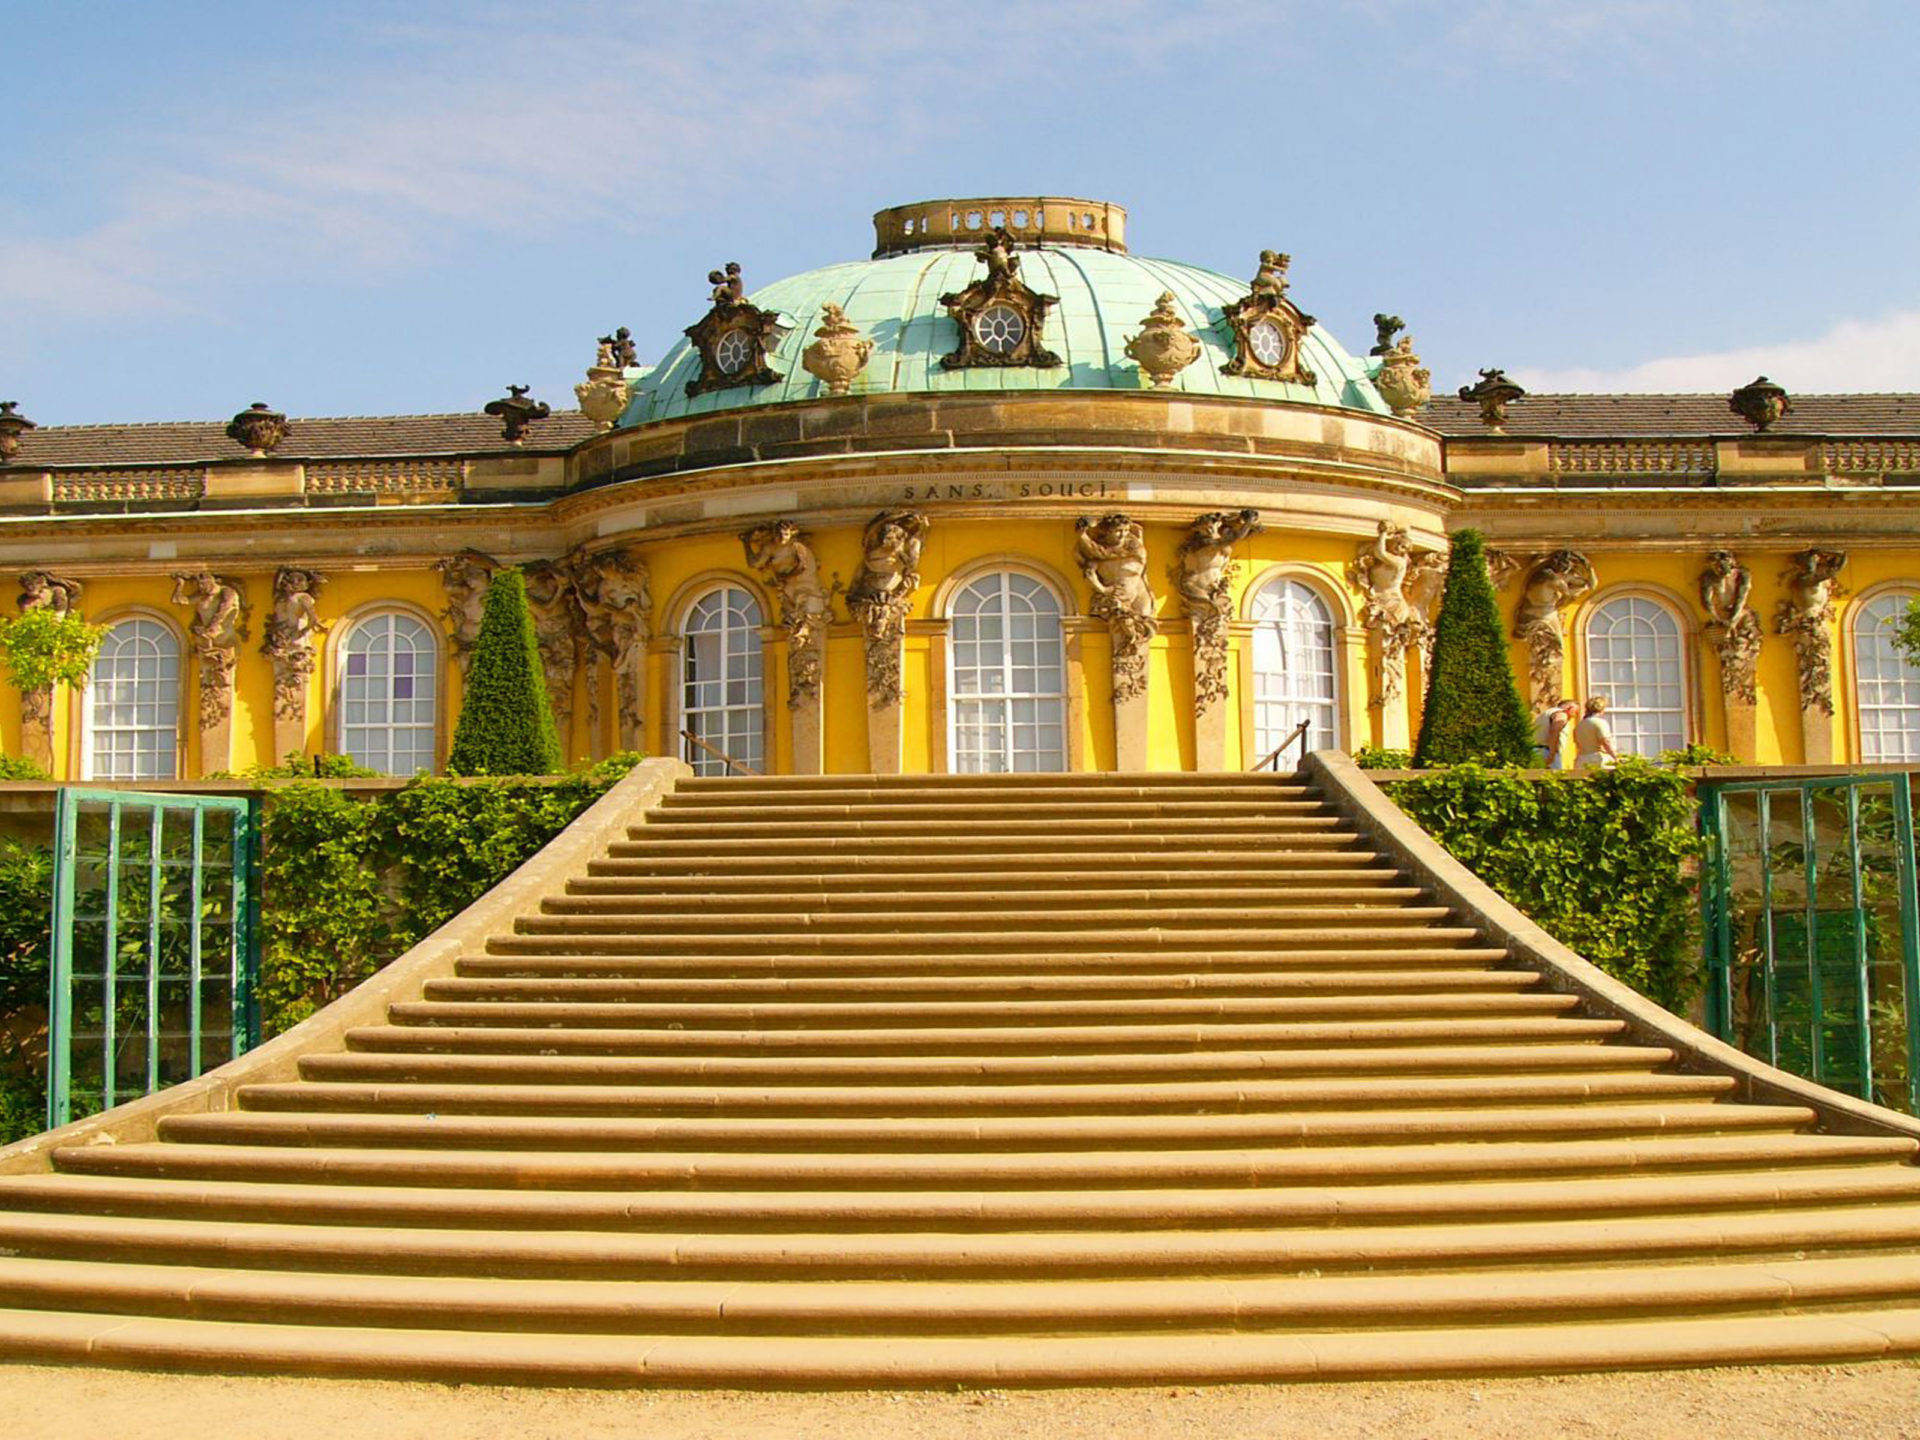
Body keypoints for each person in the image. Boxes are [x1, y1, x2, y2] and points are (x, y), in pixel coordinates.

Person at [1574, 695, 1619, 769]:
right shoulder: (1600, 722)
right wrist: (1615, 757)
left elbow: (1577, 743)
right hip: (1597, 759)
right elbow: (1605, 741)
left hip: (1582, 759)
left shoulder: (1580, 725)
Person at [1531, 698, 1578, 770]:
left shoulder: (1546, 714)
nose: (1575, 715)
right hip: (1547, 751)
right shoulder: (1561, 714)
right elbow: (1554, 731)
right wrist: (1552, 754)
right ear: (1569, 708)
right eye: (1576, 711)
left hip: (1536, 750)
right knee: (1556, 778)